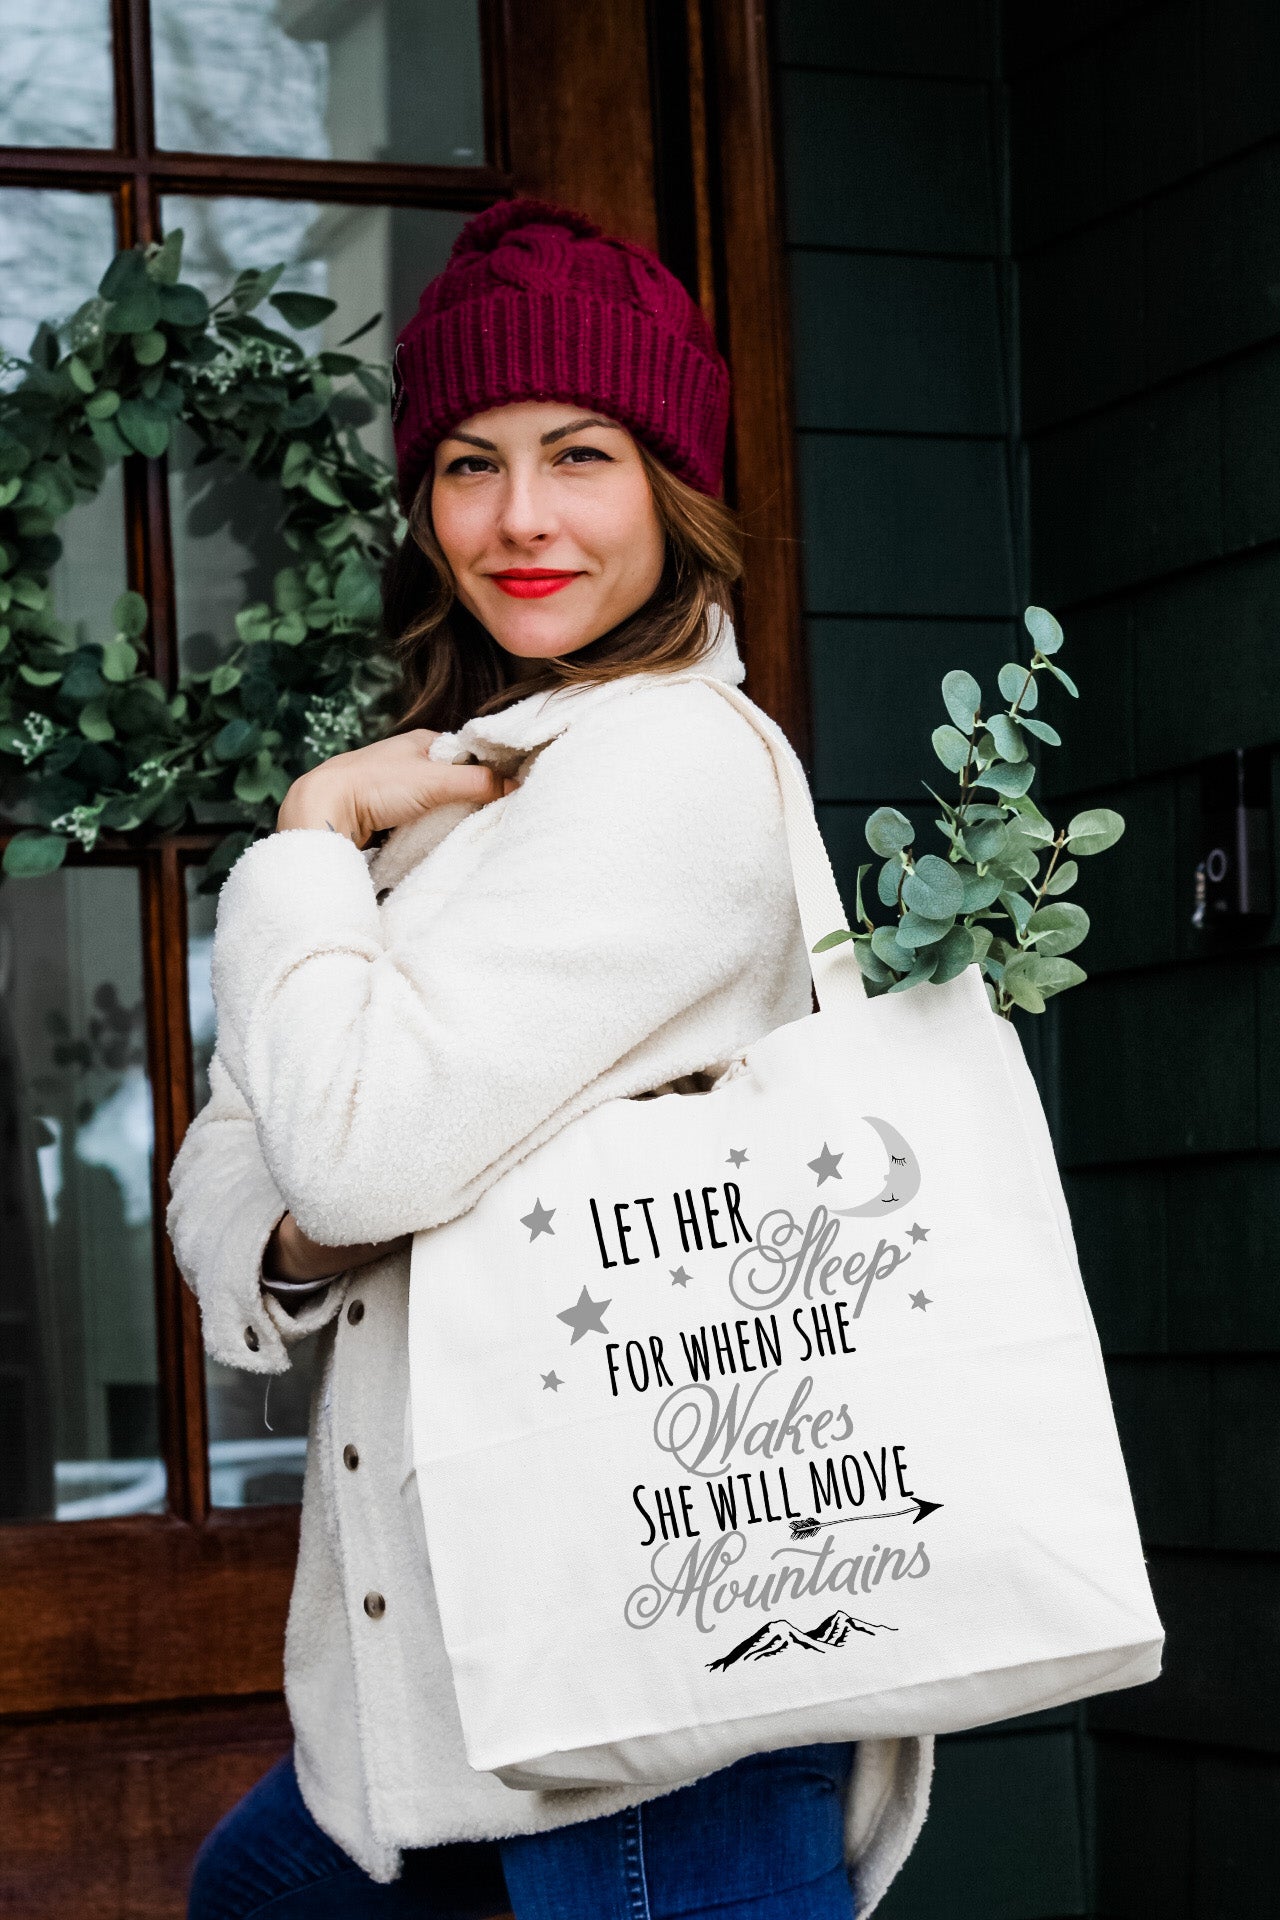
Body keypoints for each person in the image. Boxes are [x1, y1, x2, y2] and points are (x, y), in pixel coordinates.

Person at [171, 199, 932, 1920]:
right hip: (450, 1685)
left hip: (653, 1682)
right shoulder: (465, 788)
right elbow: (238, 1172)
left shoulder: (663, 767)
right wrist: (312, 1202)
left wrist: (305, 836)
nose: (518, 519)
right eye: (466, 462)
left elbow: (348, 1152)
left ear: (672, 485)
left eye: (578, 454)